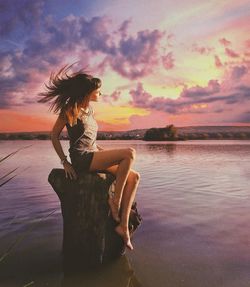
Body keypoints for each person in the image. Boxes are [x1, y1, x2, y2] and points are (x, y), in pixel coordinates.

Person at [38, 64, 140, 250]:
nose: (100, 94)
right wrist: (65, 162)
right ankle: (115, 201)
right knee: (130, 153)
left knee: (134, 177)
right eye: (98, 91)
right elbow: (54, 136)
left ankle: (123, 227)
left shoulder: (91, 111)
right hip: (81, 159)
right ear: (88, 92)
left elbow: (90, 140)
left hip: (93, 154)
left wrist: (105, 153)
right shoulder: (70, 110)